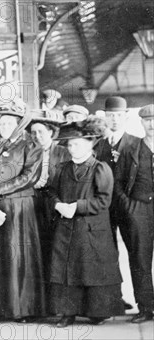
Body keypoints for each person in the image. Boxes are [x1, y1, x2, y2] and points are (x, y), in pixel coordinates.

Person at [47, 117, 125, 327]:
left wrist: (77, 207)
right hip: (66, 228)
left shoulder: (100, 168)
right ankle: (67, 313)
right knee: (66, 270)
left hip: (92, 230)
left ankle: (97, 312)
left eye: (77, 144)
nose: (72, 149)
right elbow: (51, 192)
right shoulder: (62, 169)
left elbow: (103, 200)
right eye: (70, 145)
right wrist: (57, 205)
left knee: (91, 269)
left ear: (91, 144)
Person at [0, 99, 46, 322]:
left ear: (18, 124)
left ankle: (21, 309)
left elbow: (28, 177)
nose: (4, 127)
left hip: (18, 206)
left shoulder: (31, 146)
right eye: (1, 123)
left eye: (9, 123)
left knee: (17, 255)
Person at [93, 96, 140, 310]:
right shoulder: (98, 146)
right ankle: (114, 299)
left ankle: (145, 303)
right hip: (104, 209)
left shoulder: (136, 143)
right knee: (107, 253)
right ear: (105, 118)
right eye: (110, 116)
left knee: (137, 254)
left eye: (118, 116)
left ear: (125, 117)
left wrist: (133, 205)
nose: (114, 120)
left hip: (129, 208)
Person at [114, 104, 154, 323]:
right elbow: (118, 181)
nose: (152, 124)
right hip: (139, 208)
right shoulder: (132, 149)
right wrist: (127, 205)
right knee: (140, 258)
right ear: (141, 123)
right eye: (148, 120)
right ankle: (146, 308)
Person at [27, 110, 69, 283]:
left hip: (55, 203)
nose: (37, 136)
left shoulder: (63, 152)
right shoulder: (28, 152)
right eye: (33, 133)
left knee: (55, 247)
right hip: (33, 202)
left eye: (41, 132)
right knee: (36, 246)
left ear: (51, 132)